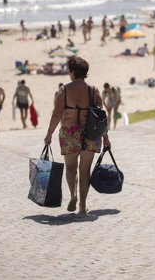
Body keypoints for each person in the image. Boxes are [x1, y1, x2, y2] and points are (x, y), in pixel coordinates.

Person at [44, 56, 111, 215]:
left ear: (72, 72)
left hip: (69, 132)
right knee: (85, 170)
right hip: (90, 133)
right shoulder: (93, 90)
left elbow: (56, 114)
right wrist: (106, 137)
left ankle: (73, 194)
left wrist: (49, 134)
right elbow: (102, 116)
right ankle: (82, 205)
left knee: (71, 167)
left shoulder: (64, 90)